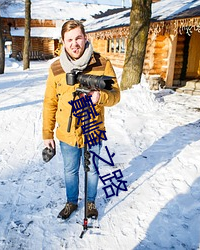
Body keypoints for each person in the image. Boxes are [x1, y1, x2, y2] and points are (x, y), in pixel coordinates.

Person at [42, 20, 120, 220]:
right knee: (70, 170)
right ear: (63, 42)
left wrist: (100, 97)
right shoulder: (56, 68)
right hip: (67, 133)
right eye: (69, 40)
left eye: (78, 38)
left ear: (85, 38)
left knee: (92, 168)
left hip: (93, 129)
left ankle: (91, 202)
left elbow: (116, 95)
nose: (74, 43)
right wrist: (47, 134)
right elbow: (50, 102)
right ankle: (71, 202)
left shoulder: (102, 63)